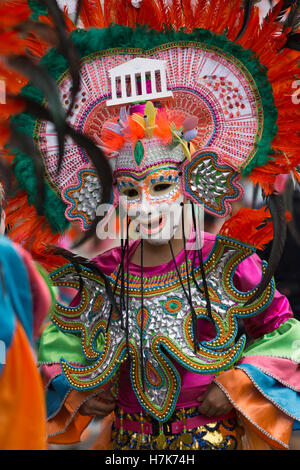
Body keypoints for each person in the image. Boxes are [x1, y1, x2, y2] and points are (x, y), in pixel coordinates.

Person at [2, 0, 300, 450]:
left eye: (160, 186)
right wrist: (81, 387)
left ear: (189, 183)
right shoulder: (98, 272)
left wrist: (240, 382)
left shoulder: (230, 265)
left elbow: (284, 335)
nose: (145, 207)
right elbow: (54, 343)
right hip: (126, 444)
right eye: (129, 191)